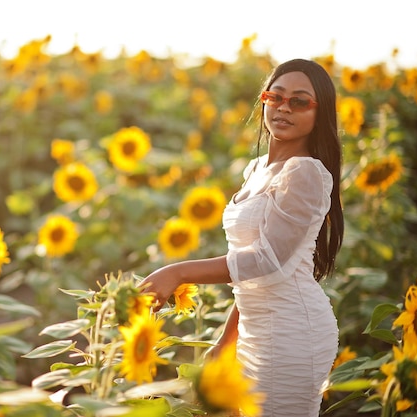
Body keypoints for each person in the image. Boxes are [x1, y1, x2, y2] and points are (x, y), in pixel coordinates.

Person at [140, 58, 344, 417]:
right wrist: (227, 338)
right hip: (253, 326)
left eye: (299, 101)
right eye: (275, 96)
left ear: (319, 113)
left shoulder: (305, 172)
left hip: (292, 331)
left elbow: (267, 262)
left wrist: (178, 272)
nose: (283, 107)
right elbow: (249, 269)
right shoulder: (257, 169)